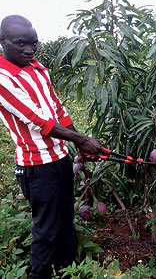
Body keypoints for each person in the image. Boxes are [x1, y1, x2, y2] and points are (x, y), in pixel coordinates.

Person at [0, 15, 103, 278]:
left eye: (33, 44)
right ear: (3, 42)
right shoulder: (3, 78)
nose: (29, 50)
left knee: (66, 221)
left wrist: (79, 143)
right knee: (46, 228)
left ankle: (68, 270)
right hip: (36, 166)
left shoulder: (37, 67)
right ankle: (41, 274)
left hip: (60, 157)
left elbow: (56, 108)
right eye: (21, 44)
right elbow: (37, 120)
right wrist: (81, 140)